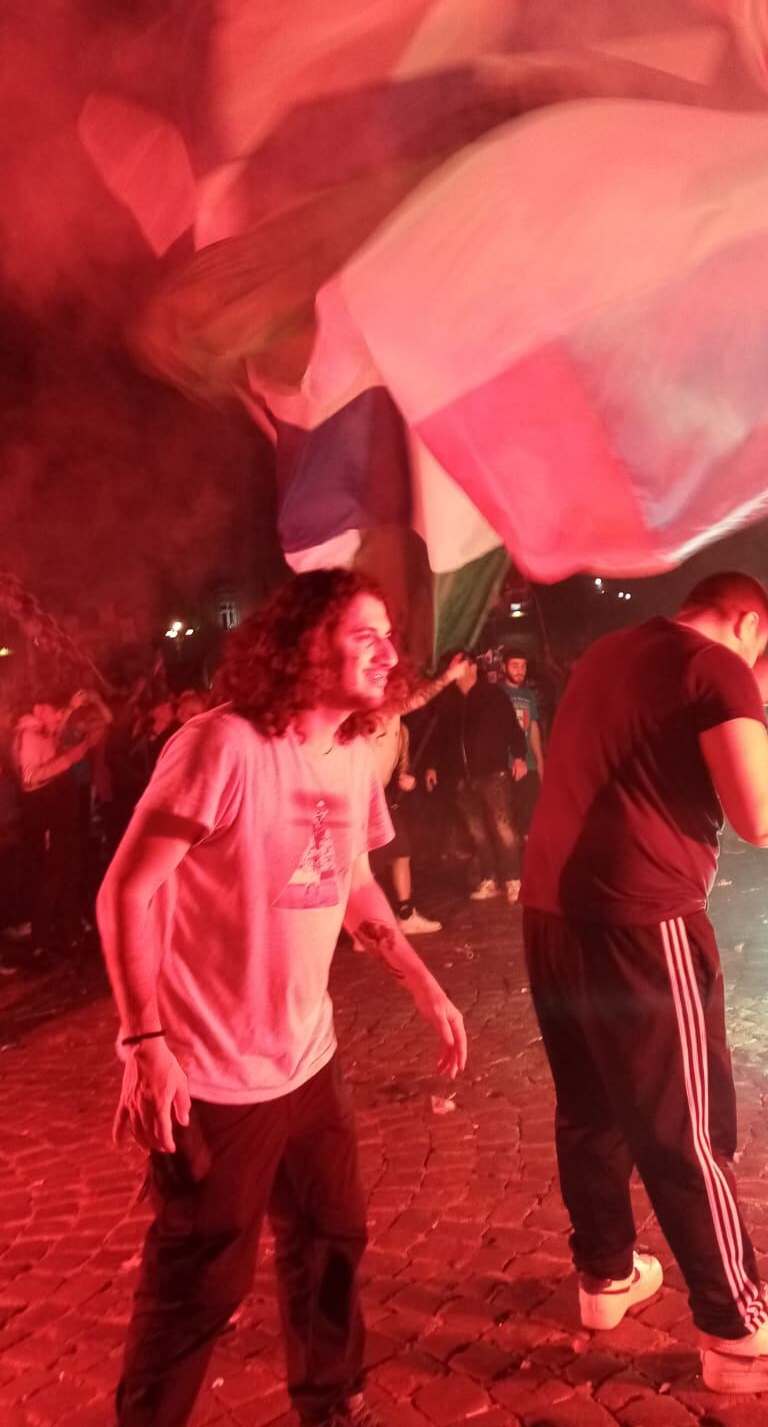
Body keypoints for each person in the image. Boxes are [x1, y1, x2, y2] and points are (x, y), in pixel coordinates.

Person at [97, 569, 467, 1427]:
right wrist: (142, 1041)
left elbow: (357, 882)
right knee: (202, 1277)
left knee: (332, 1240)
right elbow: (125, 892)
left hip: (308, 1060)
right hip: (213, 1074)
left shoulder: (352, 752)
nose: (389, 651)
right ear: (305, 644)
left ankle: (332, 1405)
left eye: (390, 634)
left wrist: (421, 980)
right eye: (364, 633)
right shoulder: (219, 746)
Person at [521, 572, 768, 1394]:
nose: (753, 669)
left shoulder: (619, 652)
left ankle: (606, 1276)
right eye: (755, 646)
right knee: (686, 1127)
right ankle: (737, 1334)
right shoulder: (715, 667)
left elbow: (742, 684)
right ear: (745, 621)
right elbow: (762, 816)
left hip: (552, 913)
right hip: (643, 923)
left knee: (590, 1108)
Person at [365, 655, 471, 936]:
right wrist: (448, 677)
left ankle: (404, 914)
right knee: (366, 867)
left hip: (380, 798)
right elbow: (420, 698)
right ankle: (365, 926)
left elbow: (399, 764)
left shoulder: (402, 728)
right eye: (397, 686)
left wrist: (406, 779)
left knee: (401, 852)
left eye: (404, 686)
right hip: (359, 798)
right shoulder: (375, 711)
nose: (403, 691)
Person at [12, 689, 105, 960]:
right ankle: (42, 940)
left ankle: (69, 933)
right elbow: (30, 780)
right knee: (53, 877)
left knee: (69, 872)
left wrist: (69, 709)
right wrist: (70, 758)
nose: (58, 719)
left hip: (62, 814)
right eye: (54, 713)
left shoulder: (39, 730)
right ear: (40, 709)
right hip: (48, 815)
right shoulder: (26, 736)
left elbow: (54, 735)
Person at [425, 654, 527, 902]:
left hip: (493, 772)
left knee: (504, 829)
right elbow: (439, 735)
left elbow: (512, 727)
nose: (453, 671)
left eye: (458, 665)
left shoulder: (493, 694)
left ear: (472, 667)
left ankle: (514, 880)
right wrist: (431, 766)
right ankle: (489, 879)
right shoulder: (449, 700)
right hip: (461, 776)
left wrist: (519, 756)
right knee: (477, 832)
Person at [501, 650, 544, 834]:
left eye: (523, 666)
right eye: (515, 666)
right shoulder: (497, 692)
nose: (520, 670)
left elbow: (532, 725)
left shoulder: (528, 694)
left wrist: (540, 760)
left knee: (531, 815)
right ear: (504, 667)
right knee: (510, 818)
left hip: (529, 764)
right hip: (507, 764)